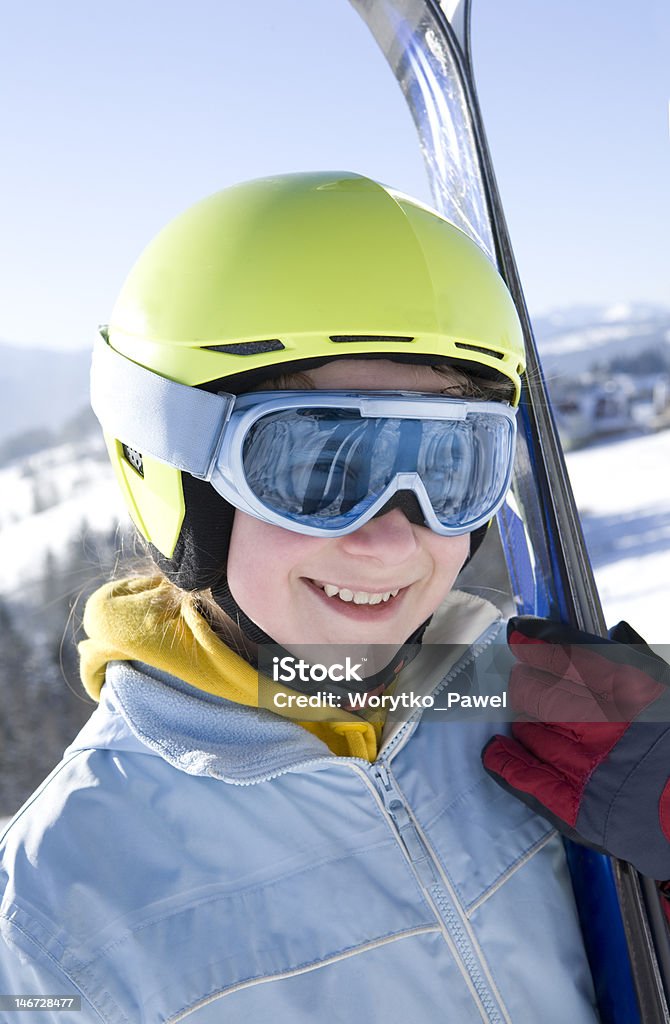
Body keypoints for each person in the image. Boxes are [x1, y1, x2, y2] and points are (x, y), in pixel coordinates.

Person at [1, 172, 668, 1023]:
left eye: (448, 468)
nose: (392, 540)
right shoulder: (57, 912)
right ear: (174, 475)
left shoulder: (554, 718)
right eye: (317, 471)